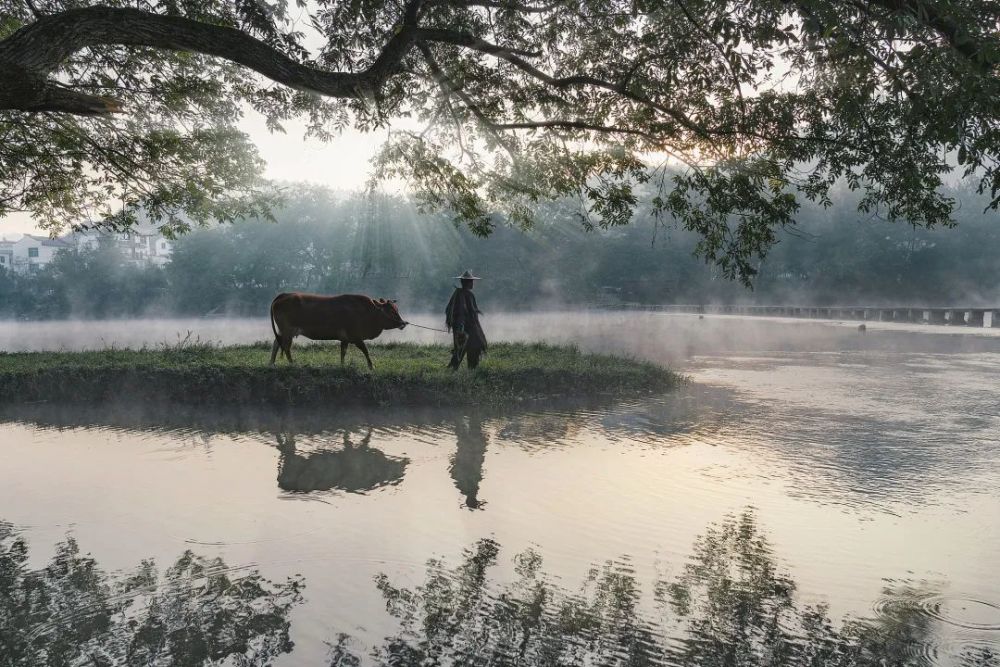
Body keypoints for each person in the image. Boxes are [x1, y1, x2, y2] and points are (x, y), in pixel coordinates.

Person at [445, 270, 487, 370]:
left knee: (461, 350)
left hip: (463, 328)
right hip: (466, 328)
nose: (472, 283)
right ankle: (468, 370)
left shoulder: (459, 294)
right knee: (470, 348)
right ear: (467, 283)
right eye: (471, 281)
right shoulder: (466, 295)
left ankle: (455, 370)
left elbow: (451, 310)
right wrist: (461, 327)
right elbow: (461, 312)